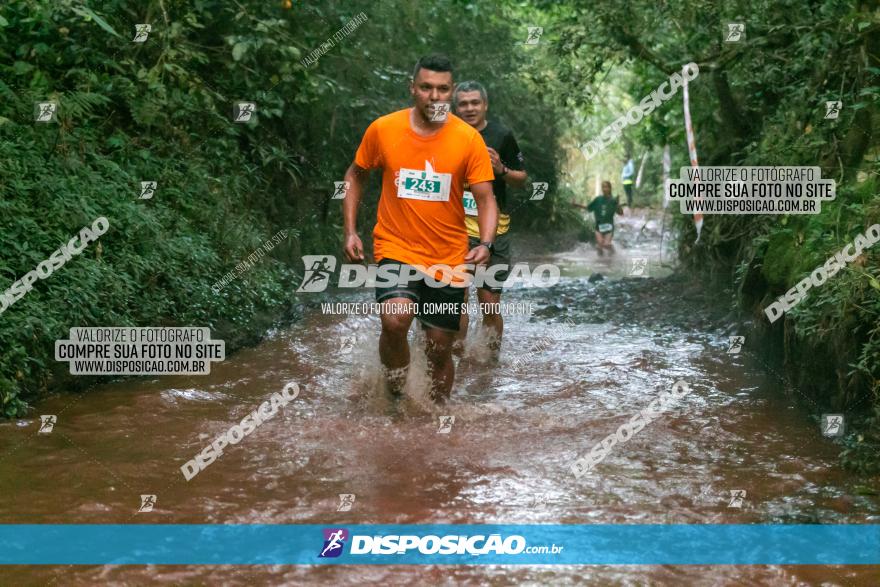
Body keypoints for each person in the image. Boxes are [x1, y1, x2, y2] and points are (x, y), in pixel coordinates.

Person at [341, 54, 498, 403]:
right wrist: (350, 231)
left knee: (439, 347)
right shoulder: (384, 129)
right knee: (395, 321)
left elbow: (486, 199)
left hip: (447, 255)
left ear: (451, 92)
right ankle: (396, 395)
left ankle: (435, 419)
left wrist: (486, 242)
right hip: (395, 246)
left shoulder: (468, 139)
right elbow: (355, 175)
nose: (434, 96)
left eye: (443, 89)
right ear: (413, 88)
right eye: (426, 87)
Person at [452, 81, 527, 354]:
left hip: (494, 231)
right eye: (463, 103)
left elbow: (522, 179)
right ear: (455, 107)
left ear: (485, 105)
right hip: (454, 229)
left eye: (475, 103)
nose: (469, 108)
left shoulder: (501, 135)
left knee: (488, 302)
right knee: (455, 299)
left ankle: (489, 361)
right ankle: (455, 361)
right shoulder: (446, 132)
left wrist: (501, 169)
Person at [588, 181, 623, 256]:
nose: (604, 189)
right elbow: (588, 208)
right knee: (599, 246)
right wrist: (576, 205)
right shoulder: (598, 199)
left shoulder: (613, 200)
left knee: (606, 245)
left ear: (610, 189)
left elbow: (620, 213)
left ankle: (613, 253)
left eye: (606, 187)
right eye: (603, 187)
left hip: (609, 227)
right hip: (598, 227)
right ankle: (600, 263)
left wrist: (618, 204)